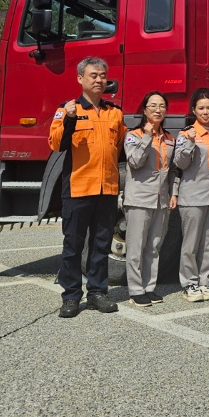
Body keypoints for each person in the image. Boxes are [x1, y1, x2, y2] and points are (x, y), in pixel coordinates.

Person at [48, 56, 126, 319]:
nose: (99, 79)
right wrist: (69, 119)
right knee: (73, 244)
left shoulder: (114, 112)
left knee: (101, 244)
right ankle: (70, 296)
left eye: (103, 75)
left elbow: (121, 147)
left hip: (106, 189)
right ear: (80, 78)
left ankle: (97, 292)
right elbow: (56, 143)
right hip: (78, 188)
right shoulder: (66, 109)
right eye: (93, 75)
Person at [123, 91, 175, 308]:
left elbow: (172, 170)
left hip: (161, 199)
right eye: (153, 105)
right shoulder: (133, 135)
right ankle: (136, 290)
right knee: (136, 247)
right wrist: (146, 136)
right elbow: (134, 161)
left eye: (162, 106)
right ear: (144, 110)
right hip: (139, 198)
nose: (158, 109)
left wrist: (174, 193)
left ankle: (149, 287)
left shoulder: (170, 138)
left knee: (154, 246)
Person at [172, 88, 209, 303]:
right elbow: (180, 163)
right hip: (192, 196)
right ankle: (189, 283)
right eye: (201, 108)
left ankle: (205, 281)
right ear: (193, 110)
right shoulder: (185, 134)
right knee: (191, 243)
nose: (205, 112)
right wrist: (191, 142)